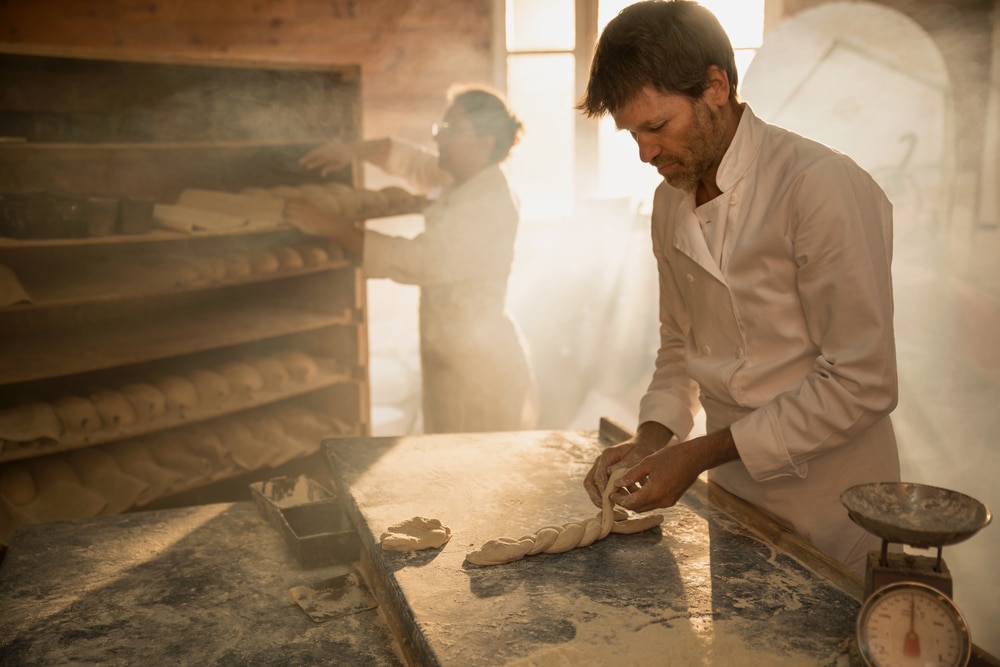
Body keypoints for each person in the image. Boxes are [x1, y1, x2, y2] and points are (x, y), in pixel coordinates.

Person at [579, 0, 900, 572]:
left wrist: (698, 453)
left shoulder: (817, 187)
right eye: (633, 135)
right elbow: (681, 345)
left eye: (656, 127)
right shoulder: (668, 202)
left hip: (835, 505)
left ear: (716, 88)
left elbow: (862, 381)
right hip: (733, 498)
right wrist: (655, 438)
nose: (646, 152)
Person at [285, 85, 538, 434]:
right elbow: (411, 161)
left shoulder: (487, 203)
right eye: (440, 128)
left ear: (484, 141)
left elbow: (420, 261)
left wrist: (331, 228)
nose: (438, 139)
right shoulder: (463, 180)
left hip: (480, 372)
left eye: (450, 131)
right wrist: (351, 151)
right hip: (453, 360)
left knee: (477, 475)